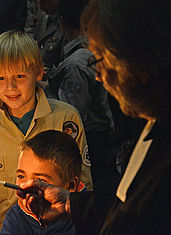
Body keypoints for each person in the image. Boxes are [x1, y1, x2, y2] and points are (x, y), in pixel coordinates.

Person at [19, 0, 171, 234]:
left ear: (139, 60)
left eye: (101, 60)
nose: (98, 77)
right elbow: (126, 196)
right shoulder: (155, 121)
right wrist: (70, 203)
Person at [0, 30, 92, 235]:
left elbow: (84, 189)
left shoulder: (66, 119)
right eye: (1, 78)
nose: (10, 87)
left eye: (19, 76)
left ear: (39, 72)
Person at [44, 0, 116, 194]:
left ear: (62, 24)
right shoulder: (88, 55)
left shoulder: (76, 64)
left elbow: (72, 113)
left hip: (92, 141)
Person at [1, 130, 85, 235]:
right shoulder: (15, 218)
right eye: (21, 176)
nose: (25, 186)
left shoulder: (88, 218)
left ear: (71, 186)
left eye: (40, 180)